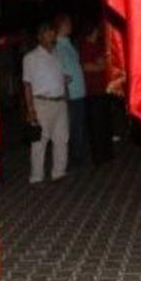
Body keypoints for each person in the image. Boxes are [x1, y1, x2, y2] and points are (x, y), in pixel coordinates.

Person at [22, 22, 69, 183]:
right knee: (40, 141)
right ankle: (36, 176)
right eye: (48, 32)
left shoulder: (56, 54)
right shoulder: (30, 57)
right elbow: (27, 84)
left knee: (61, 139)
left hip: (59, 102)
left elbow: (60, 77)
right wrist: (30, 109)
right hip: (42, 103)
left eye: (52, 32)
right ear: (40, 36)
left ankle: (59, 172)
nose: (51, 35)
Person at [54, 13, 88, 169]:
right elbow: (58, 71)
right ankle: (73, 158)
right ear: (60, 25)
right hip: (70, 94)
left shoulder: (69, 44)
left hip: (79, 92)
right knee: (71, 127)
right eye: (67, 23)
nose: (70, 26)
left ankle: (78, 155)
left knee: (78, 126)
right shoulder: (57, 47)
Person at [79, 23, 114, 166]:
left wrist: (102, 64)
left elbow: (107, 61)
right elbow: (87, 66)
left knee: (106, 124)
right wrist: (101, 65)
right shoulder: (86, 46)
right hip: (93, 92)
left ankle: (107, 153)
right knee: (96, 126)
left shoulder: (99, 45)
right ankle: (98, 156)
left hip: (104, 90)